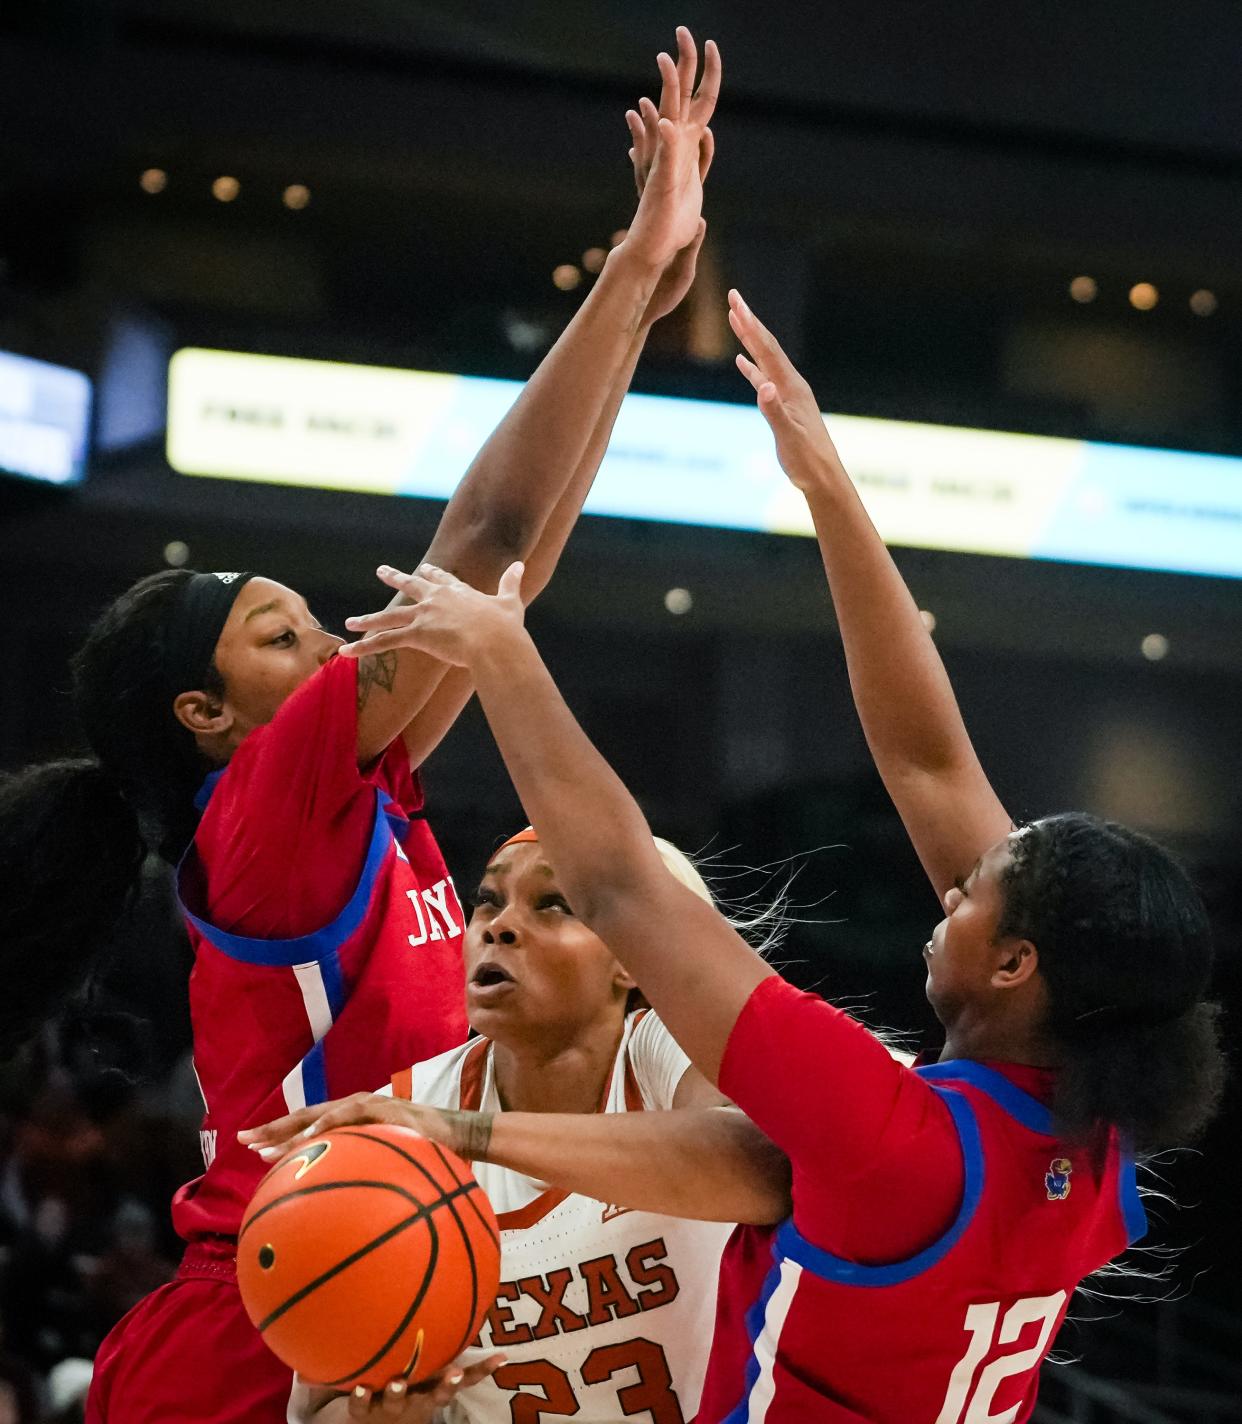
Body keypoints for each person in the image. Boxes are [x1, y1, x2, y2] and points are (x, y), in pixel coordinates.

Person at [249, 298, 1225, 1420]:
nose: (949, 885)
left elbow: (621, 883)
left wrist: (506, 660)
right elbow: (928, 760)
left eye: (973, 895)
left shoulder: (889, 1132)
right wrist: (826, 486)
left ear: (1017, 965)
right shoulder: (1090, 1137)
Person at [0, 30, 722, 1422]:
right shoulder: (266, 806)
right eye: (283, 636)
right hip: (264, 1337)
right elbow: (483, 537)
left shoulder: (348, 795)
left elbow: (503, 580)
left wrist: (634, 314)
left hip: (358, 1297)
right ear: (206, 718)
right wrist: (627, 274)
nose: (335, 639)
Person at [272, 828, 784, 1424]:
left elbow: (765, 1167)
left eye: (554, 905)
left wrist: (473, 1133)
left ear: (634, 957)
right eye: (488, 901)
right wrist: (383, 1417)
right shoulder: (403, 1118)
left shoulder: (670, 1052)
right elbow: (320, 1408)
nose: (499, 925)